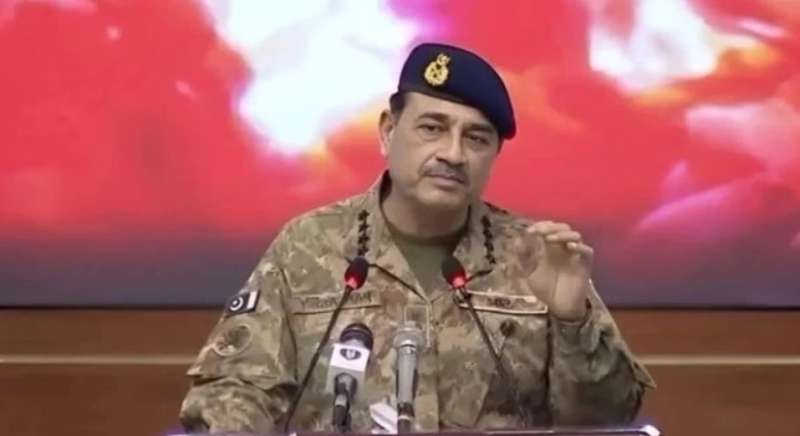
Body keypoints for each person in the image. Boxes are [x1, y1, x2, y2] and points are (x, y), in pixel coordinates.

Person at [179, 42, 655, 433]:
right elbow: (235, 391)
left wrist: (571, 321)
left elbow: (607, 420)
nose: (453, 154)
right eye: (432, 128)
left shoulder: (533, 256)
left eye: (476, 138)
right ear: (388, 132)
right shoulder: (307, 246)